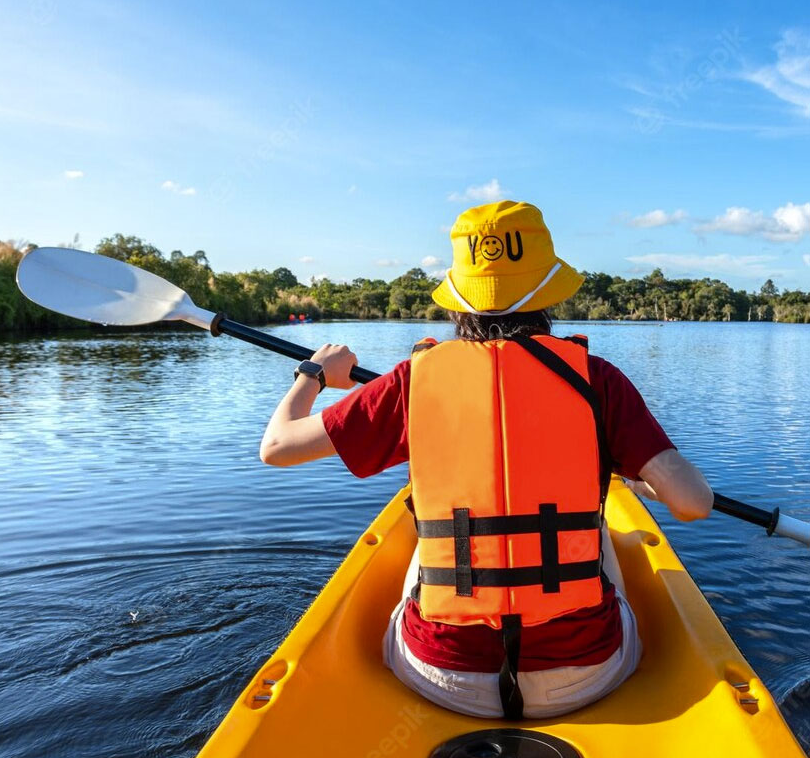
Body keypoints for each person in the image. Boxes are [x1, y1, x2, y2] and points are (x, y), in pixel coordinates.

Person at [259, 200, 712, 719]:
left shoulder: (414, 381)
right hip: (586, 673)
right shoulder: (597, 380)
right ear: (548, 292)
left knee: (428, 526)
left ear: (458, 300)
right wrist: (632, 473)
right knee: (600, 533)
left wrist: (314, 373)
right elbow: (694, 504)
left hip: (442, 676)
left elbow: (276, 447)